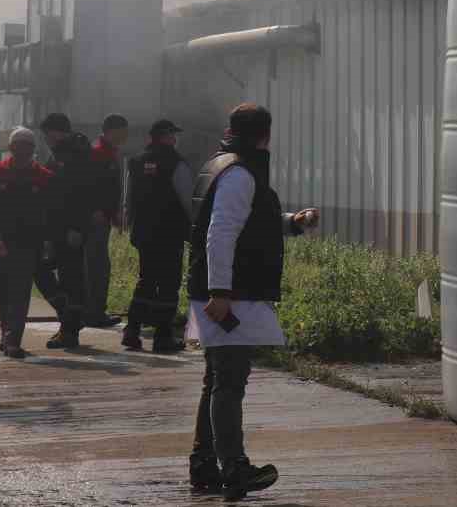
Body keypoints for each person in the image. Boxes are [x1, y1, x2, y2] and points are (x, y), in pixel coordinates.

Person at [186, 104, 320, 499]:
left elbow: (246, 221)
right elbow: (221, 233)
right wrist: (220, 294)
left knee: (217, 381)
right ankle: (234, 469)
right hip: (230, 296)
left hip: (220, 291)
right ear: (266, 135)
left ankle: (205, 465)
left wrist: (291, 223)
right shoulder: (241, 173)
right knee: (228, 382)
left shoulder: (220, 165)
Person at [0, 126, 57, 358]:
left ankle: (13, 340)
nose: (22, 150)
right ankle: (6, 332)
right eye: (17, 145)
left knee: (20, 292)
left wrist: (49, 242)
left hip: (28, 244)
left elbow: (51, 214)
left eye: (27, 145)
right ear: (10, 147)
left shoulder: (44, 177)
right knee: (2, 291)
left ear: (33, 149)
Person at [122, 119, 192, 353]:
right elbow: (187, 200)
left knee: (146, 281)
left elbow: (129, 197)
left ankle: (132, 332)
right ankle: (163, 337)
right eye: (173, 134)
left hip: (144, 232)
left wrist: (128, 222)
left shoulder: (136, 161)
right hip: (170, 232)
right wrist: (195, 226)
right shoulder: (177, 163)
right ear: (166, 136)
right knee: (169, 284)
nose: (176, 139)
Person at [34, 112, 89, 349]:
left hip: (68, 229)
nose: (46, 139)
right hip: (58, 227)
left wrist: (76, 227)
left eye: (47, 134)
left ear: (58, 132)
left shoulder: (73, 156)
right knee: (65, 276)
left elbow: (79, 194)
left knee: (67, 277)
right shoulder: (62, 154)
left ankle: (69, 326)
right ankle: (70, 321)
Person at [85, 113, 128, 327]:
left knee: (98, 264)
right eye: (123, 130)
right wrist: (97, 210)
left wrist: (115, 212)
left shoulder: (109, 152)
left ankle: (93, 310)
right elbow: (91, 186)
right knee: (97, 266)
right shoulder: (98, 152)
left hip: (104, 216)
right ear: (113, 130)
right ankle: (94, 312)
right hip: (96, 219)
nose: (126, 135)